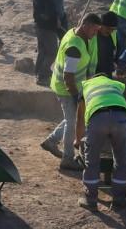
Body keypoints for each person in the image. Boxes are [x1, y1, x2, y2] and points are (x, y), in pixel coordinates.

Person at [40, 14, 101, 170]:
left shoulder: (74, 32)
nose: (95, 33)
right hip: (66, 88)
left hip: (69, 85)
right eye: (94, 29)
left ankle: (51, 141)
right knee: (72, 122)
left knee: (70, 118)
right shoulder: (74, 47)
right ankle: (67, 159)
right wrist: (75, 96)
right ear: (86, 25)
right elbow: (68, 76)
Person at [74, 74, 126, 211]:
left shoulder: (87, 86)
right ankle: (119, 200)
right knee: (121, 160)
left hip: (98, 117)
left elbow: (80, 118)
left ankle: (91, 200)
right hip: (121, 118)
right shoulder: (115, 85)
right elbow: (119, 103)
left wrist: (77, 139)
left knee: (92, 160)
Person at [32, 0, 60, 86]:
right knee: (53, 52)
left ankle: (39, 72)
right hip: (46, 28)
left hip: (41, 26)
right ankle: (42, 75)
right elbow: (46, 12)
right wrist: (53, 20)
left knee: (42, 51)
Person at [90, 12, 118, 78]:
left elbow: (116, 50)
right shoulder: (92, 36)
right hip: (94, 75)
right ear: (101, 25)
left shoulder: (113, 34)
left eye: (113, 29)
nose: (111, 31)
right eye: (108, 28)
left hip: (108, 73)